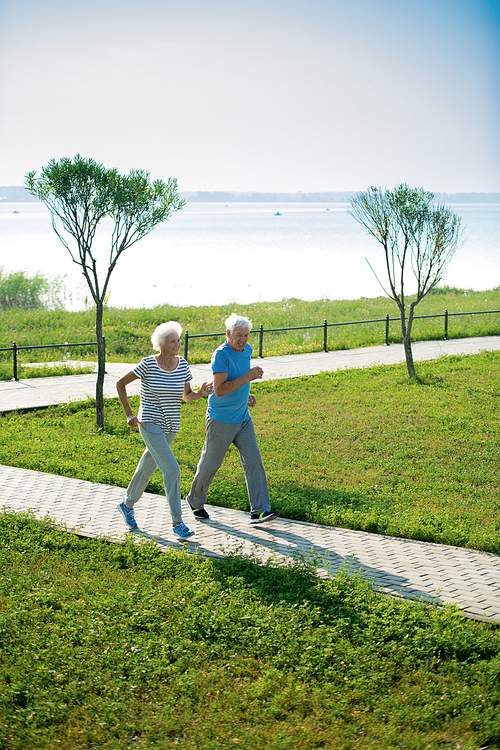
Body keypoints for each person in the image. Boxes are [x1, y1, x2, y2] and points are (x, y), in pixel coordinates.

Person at [116, 321, 212, 538]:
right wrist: (129, 414)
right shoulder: (148, 364)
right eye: (172, 341)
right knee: (172, 470)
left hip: (171, 426)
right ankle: (177, 523)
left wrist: (202, 392)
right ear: (161, 344)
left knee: (147, 467)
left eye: (178, 340)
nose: (177, 344)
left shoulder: (183, 365)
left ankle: (127, 505)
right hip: (149, 423)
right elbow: (120, 383)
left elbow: (186, 396)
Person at [185, 313, 277, 524]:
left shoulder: (247, 350)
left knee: (253, 460)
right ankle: (195, 500)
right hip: (221, 420)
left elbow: (237, 379)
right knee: (210, 464)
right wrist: (247, 378)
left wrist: (246, 394)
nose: (243, 340)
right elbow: (218, 390)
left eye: (246, 335)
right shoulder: (221, 356)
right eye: (238, 335)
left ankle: (260, 510)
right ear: (228, 334)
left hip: (243, 418)